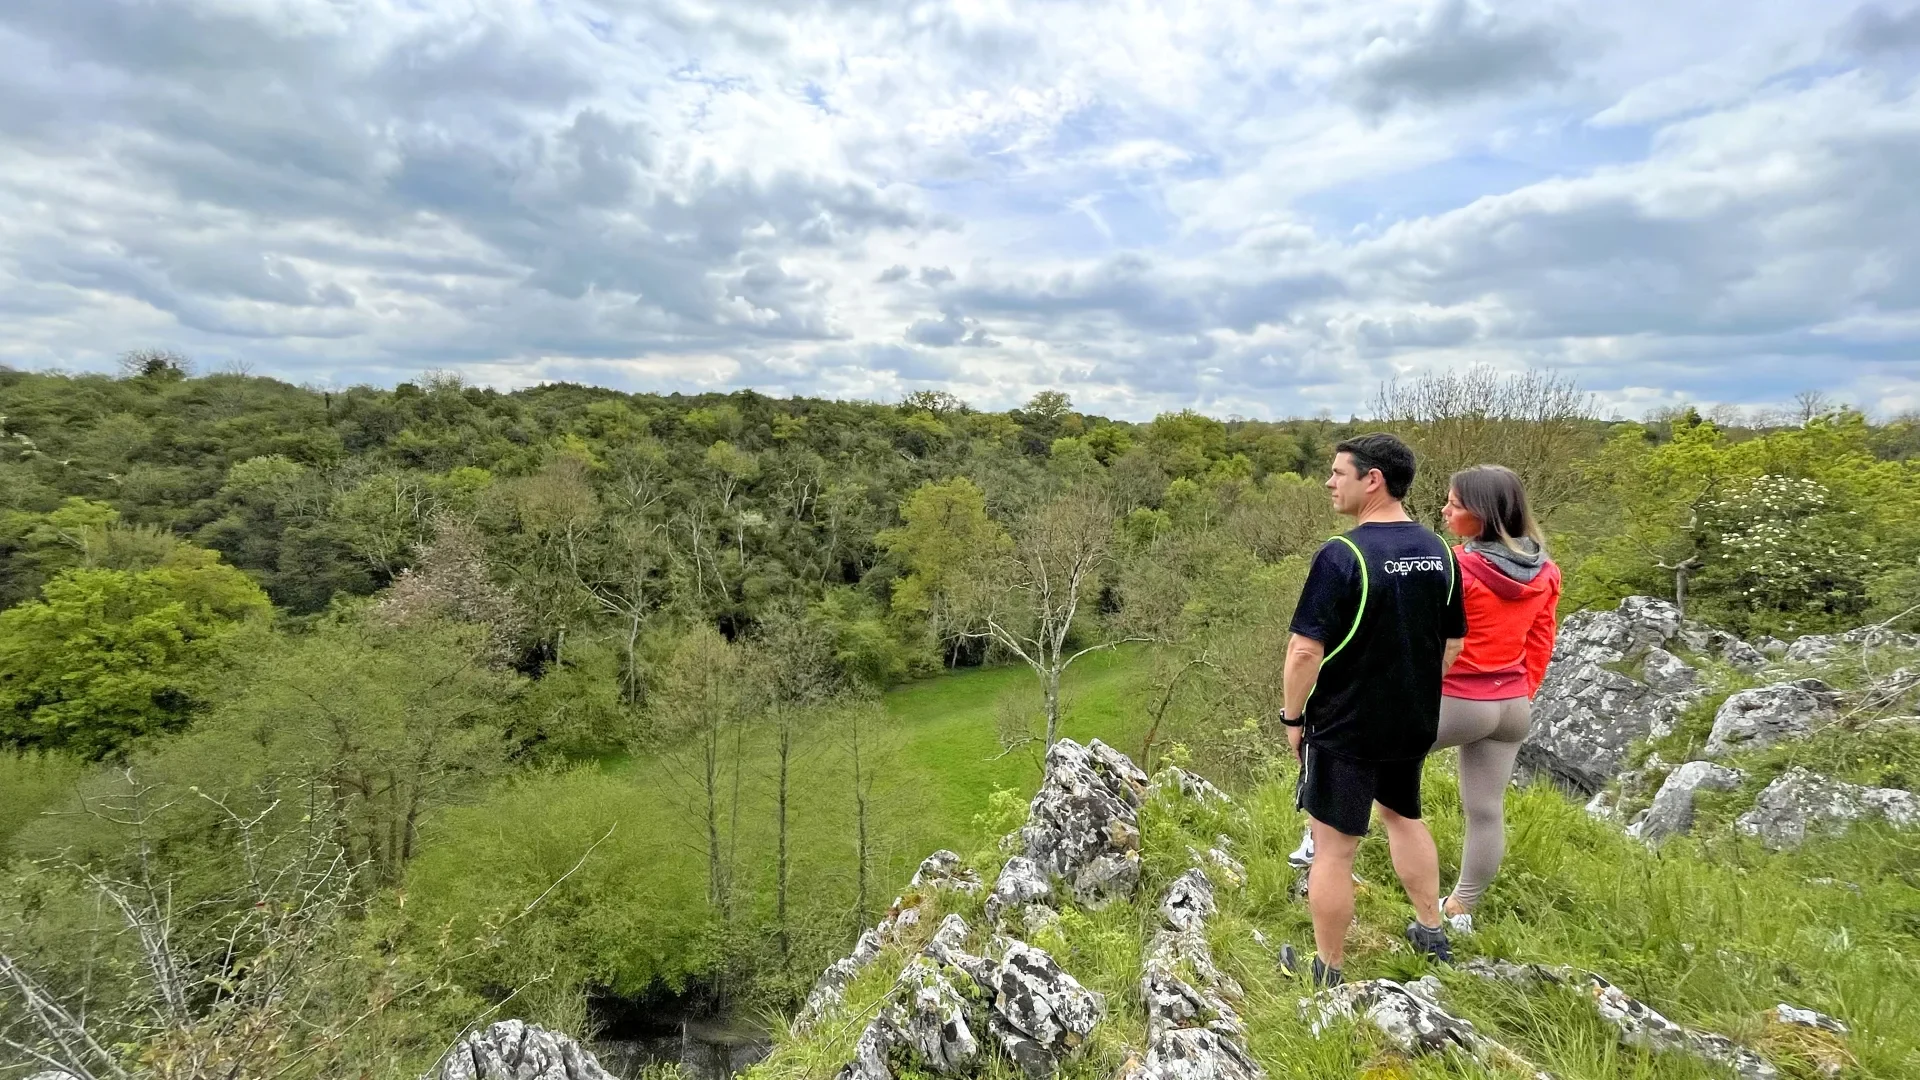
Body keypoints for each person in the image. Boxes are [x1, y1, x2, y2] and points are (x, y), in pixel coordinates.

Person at [1280, 433, 1465, 988]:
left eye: (1339, 473)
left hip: (1347, 725)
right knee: (1403, 816)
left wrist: (1293, 718)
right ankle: (1431, 932)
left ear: (1373, 479)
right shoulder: (1440, 552)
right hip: (1412, 721)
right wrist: (1413, 691)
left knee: (1334, 848)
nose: (1329, 482)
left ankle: (1327, 970)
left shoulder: (1343, 555)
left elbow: (1304, 651)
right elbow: (1452, 643)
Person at [1431, 465, 1560, 932]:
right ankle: (1461, 909)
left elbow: (1429, 642)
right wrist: (1520, 693)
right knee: (1485, 811)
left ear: (1483, 515)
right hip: (1511, 707)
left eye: (1454, 504)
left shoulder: (1454, 568)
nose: (1444, 510)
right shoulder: (1546, 571)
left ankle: (1322, 851)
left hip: (1456, 701)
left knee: (1353, 754)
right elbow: (1541, 643)